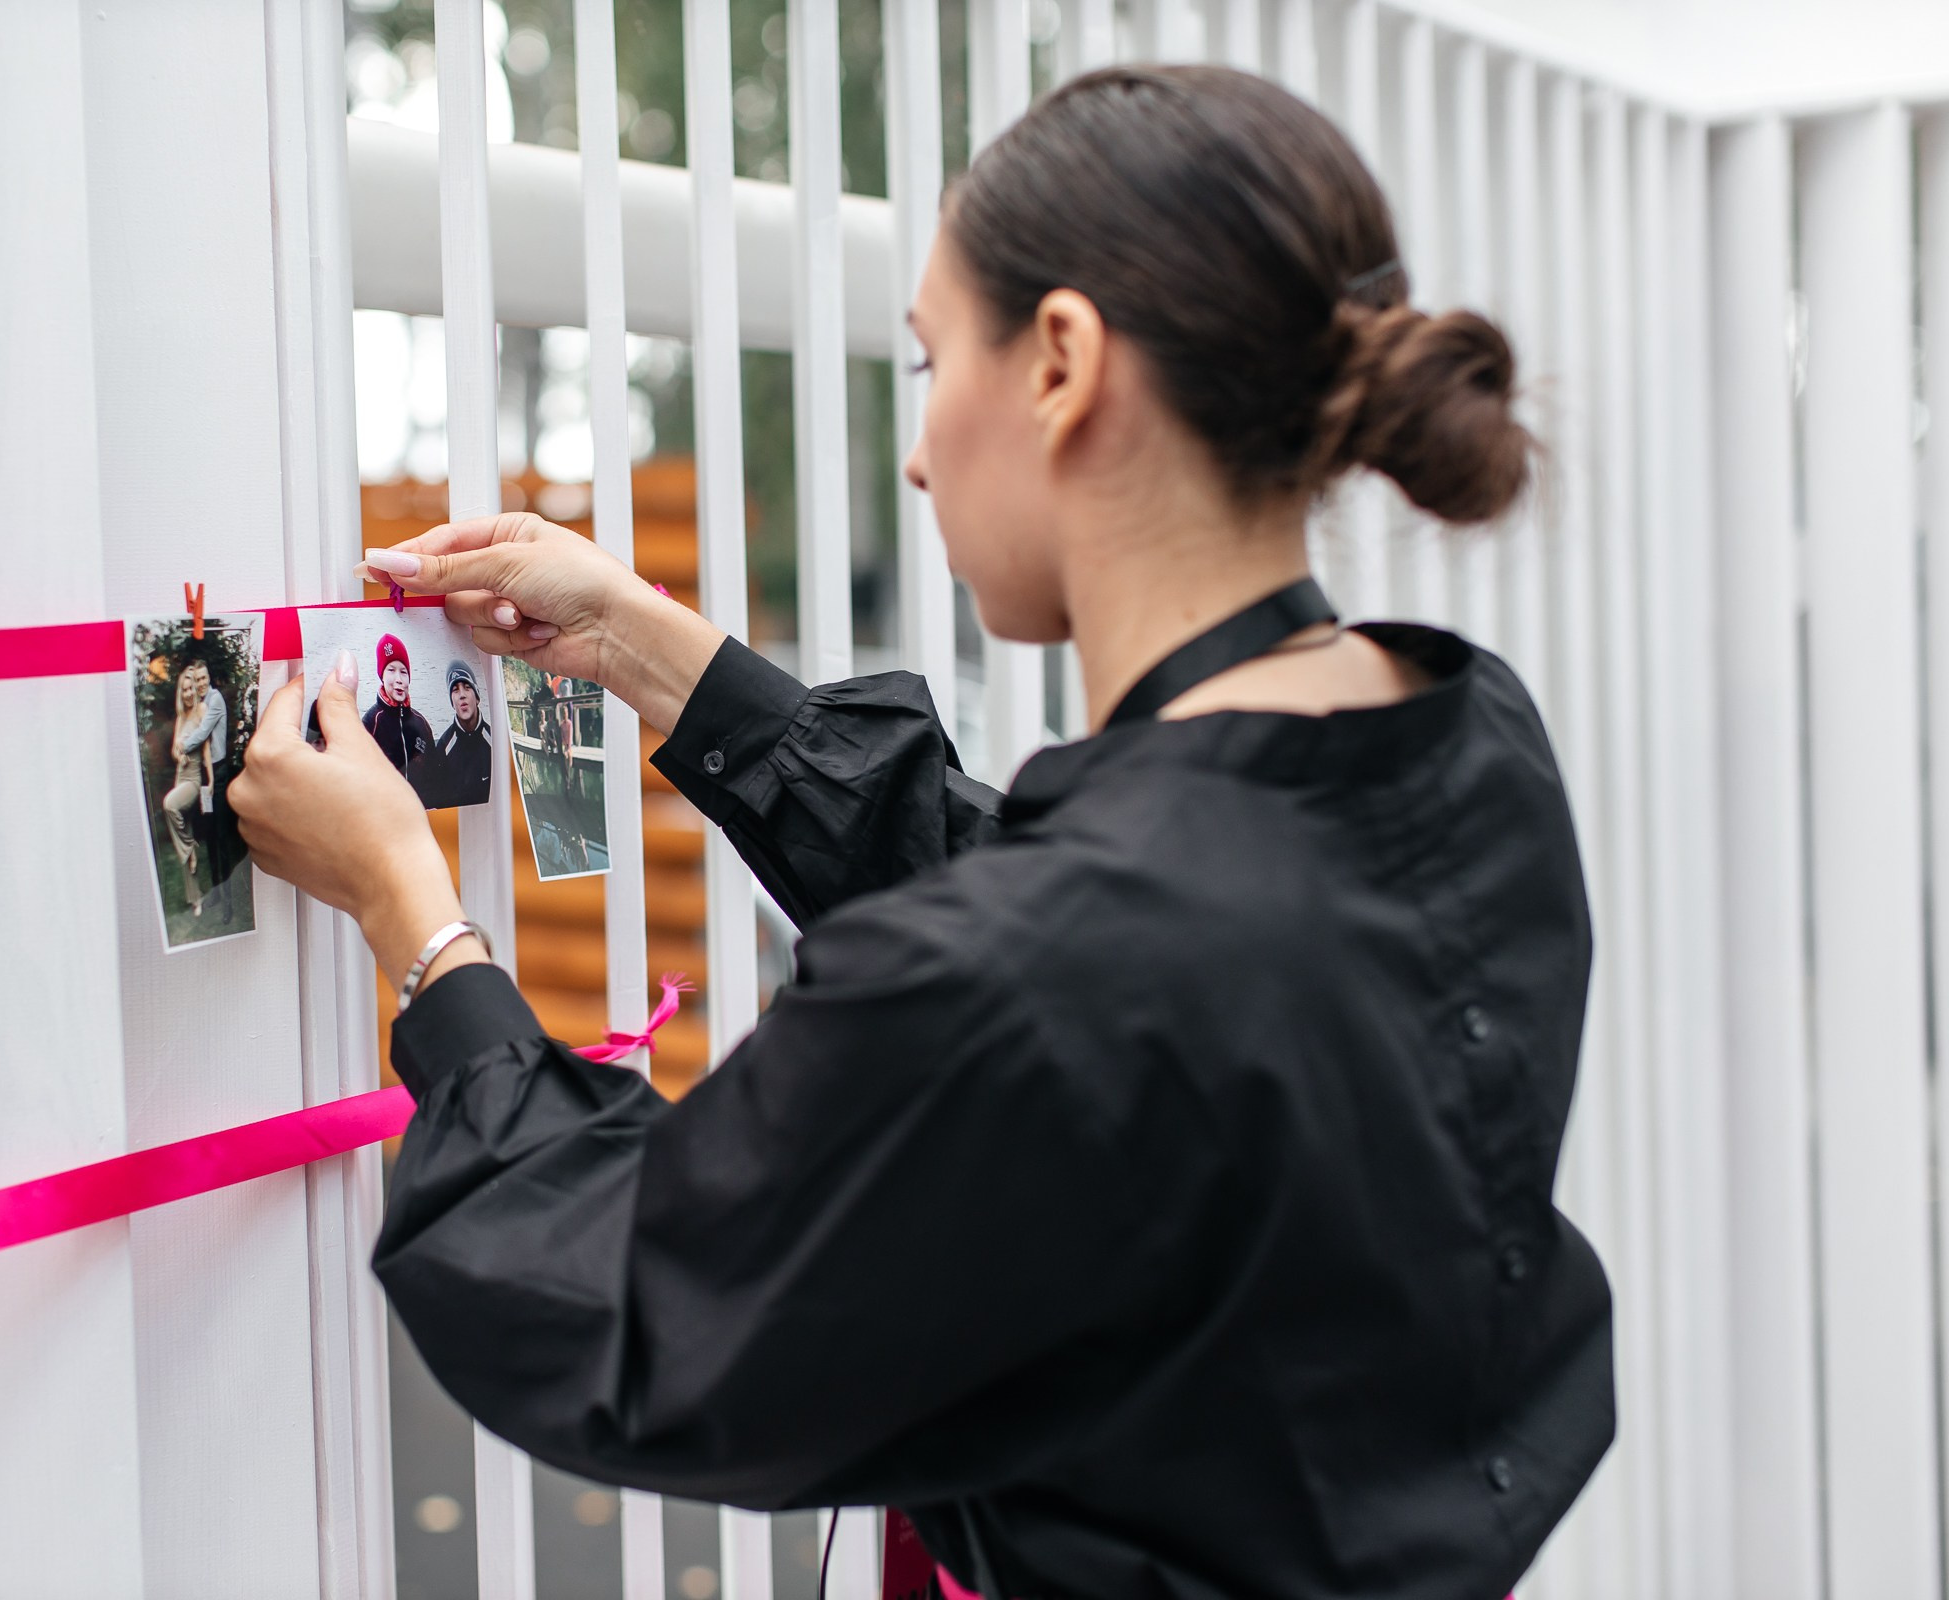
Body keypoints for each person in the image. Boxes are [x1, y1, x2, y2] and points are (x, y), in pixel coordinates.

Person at [233, 64, 1609, 1600]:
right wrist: (643, 644)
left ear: (1063, 365)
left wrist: (415, 923)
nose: (914, 453)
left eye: (928, 362)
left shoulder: (1075, 952)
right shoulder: (1462, 753)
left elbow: (641, 1310)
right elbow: (1104, 961)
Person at [161, 657, 225, 917]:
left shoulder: (201, 711)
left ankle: (190, 847)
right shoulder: (180, 717)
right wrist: (180, 755)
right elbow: (175, 751)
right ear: (180, 691)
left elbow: (207, 750)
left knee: (168, 805)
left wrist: (209, 781)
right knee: (182, 831)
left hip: (193, 780)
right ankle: (195, 898)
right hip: (180, 774)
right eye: (185, 689)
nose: (189, 693)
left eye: (191, 688)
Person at [362, 632, 433, 781]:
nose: (399, 679)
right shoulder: (370, 722)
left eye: (403, 672)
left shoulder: (422, 724)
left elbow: (435, 774)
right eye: (391, 670)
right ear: (382, 676)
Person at [422, 657, 492, 808]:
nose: (462, 695)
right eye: (455, 690)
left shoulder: (495, 741)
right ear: (452, 702)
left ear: (477, 697)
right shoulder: (443, 748)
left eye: (467, 687)